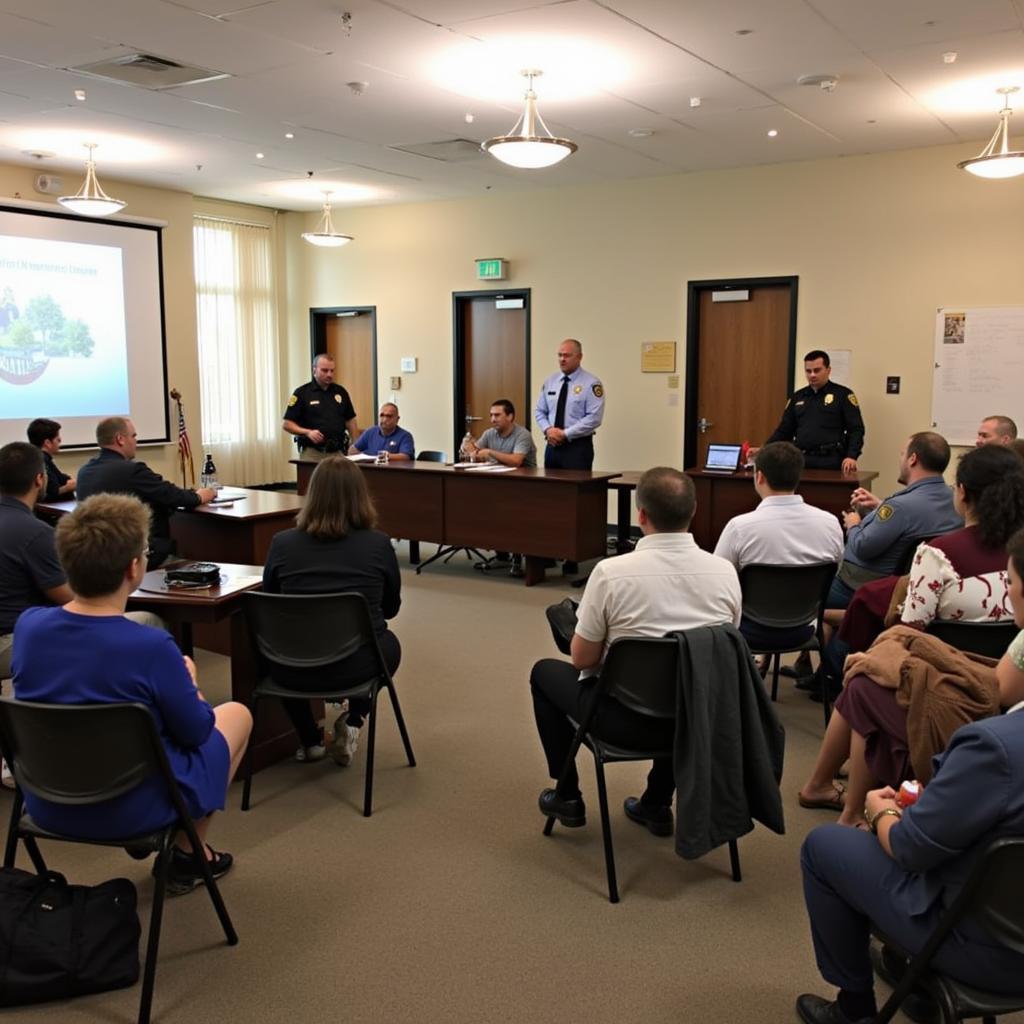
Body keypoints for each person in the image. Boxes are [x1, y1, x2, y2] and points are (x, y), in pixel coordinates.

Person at [795, 527, 1024, 1024]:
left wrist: (879, 814)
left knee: (824, 849)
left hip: (989, 944)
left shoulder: (993, 748)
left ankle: (853, 1008)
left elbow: (913, 849)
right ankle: (912, 973)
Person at [11, 494, 252, 897]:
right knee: (236, 715)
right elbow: (195, 732)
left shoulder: (29, 627)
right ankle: (188, 851)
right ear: (134, 567)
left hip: (45, 802)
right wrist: (188, 683)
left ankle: (187, 848)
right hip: (132, 808)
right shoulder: (151, 646)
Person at [797, 443, 1024, 820]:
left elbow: (910, 631)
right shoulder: (1019, 554)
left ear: (963, 493)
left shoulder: (938, 554)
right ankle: (834, 787)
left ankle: (844, 803)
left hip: (943, 686)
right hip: (1003, 685)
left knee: (865, 678)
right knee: (872, 671)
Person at [529, 467, 741, 835]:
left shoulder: (612, 573)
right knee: (680, 678)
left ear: (640, 515)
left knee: (544, 673)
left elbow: (582, 659)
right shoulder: (724, 572)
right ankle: (657, 803)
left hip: (622, 722)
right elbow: (719, 650)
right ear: (694, 512)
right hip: (696, 718)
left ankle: (567, 795)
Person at [262, 455, 401, 765]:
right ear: (360, 495)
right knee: (387, 644)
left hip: (291, 666)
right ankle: (354, 720)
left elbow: (270, 603)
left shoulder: (282, 544)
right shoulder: (378, 545)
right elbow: (390, 610)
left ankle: (310, 741)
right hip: (357, 666)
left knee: (267, 645)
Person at [714, 441, 843, 649]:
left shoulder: (740, 527)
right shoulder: (830, 523)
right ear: (797, 477)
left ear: (760, 476)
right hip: (803, 629)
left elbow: (719, 583)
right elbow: (835, 571)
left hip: (748, 630)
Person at [77, 416, 215, 569]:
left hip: (97, 554)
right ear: (120, 439)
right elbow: (172, 496)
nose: (136, 441)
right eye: (134, 436)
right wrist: (199, 495)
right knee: (196, 564)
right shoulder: (132, 471)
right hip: (136, 555)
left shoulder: (84, 471)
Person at [0, 443, 73, 680]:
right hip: (11, 641)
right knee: (143, 623)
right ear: (40, 479)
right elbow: (69, 597)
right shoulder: (35, 532)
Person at [763, 350, 864, 472]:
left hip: (831, 460)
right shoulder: (798, 397)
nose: (812, 375)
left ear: (828, 370)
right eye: (808, 371)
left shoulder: (843, 395)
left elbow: (856, 429)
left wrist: (851, 456)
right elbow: (784, 430)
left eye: (817, 370)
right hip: (801, 459)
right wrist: (764, 449)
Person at [534, 338, 604, 471]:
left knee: (576, 490)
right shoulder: (550, 381)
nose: (562, 359)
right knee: (550, 489)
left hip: (577, 447)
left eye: (567, 355)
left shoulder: (591, 383)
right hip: (552, 445)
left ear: (579, 357)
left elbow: (594, 418)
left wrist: (565, 434)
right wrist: (548, 430)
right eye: (560, 355)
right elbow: (540, 411)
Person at [283, 353, 359, 460]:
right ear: (314, 371)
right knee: (313, 477)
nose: (329, 374)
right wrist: (307, 432)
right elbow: (287, 424)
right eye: (324, 370)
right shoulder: (302, 393)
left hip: (337, 451)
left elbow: (350, 420)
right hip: (313, 453)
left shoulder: (340, 392)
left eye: (332, 371)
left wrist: (355, 443)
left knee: (339, 477)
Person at [467, 399, 537, 468]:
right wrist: (469, 447)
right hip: (497, 475)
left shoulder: (523, 434)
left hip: (522, 476)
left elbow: (516, 461)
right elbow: (475, 451)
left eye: (497, 415)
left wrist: (490, 452)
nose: (493, 420)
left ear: (510, 417)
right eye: (491, 415)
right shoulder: (489, 433)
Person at [26, 417, 75, 500]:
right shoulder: (40, 460)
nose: (60, 441)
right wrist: (68, 487)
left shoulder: (37, 457)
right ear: (47, 443)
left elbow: (61, 478)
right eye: (57, 439)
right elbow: (51, 492)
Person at [350, 402, 414, 461]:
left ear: (397, 419)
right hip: (370, 469)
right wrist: (363, 456)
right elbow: (352, 450)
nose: (384, 419)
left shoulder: (405, 436)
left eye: (389, 416)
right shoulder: (370, 432)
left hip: (392, 471)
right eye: (382, 415)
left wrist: (380, 456)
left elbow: (405, 457)